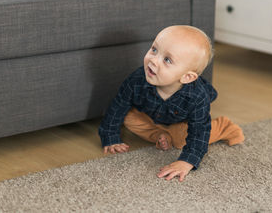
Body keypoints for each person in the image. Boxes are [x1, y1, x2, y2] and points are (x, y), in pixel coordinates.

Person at [98, 25, 244, 182]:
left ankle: (223, 127)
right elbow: (119, 104)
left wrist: (187, 161)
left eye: (167, 59)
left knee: (181, 140)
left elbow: (199, 130)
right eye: (154, 49)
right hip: (152, 117)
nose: (153, 60)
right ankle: (160, 135)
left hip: (183, 121)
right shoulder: (137, 79)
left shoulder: (196, 96)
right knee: (127, 117)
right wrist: (110, 136)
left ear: (187, 77)